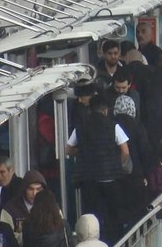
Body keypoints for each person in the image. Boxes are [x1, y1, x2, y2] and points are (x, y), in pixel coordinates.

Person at [66, 96, 131, 244]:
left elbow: (68, 149)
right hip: (111, 179)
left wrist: (81, 152)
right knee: (113, 215)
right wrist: (117, 165)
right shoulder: (113, 125)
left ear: (90, 109)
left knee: (92, 215)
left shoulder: (81, 127)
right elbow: (125, 151)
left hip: (88, 179)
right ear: (106, 110)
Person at [0, 170, 47, 244]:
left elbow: (60, 231)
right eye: (31, 189)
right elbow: (6, 236)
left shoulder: (51, 207)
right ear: (24, 189)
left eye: (38, 189)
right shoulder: (10, 209)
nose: (34, 193)